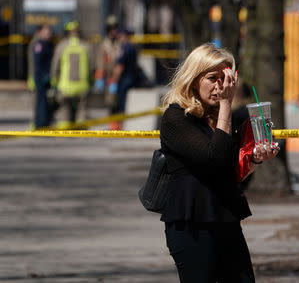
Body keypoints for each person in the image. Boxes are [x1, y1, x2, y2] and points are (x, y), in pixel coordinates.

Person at [160, 43, 279, 282]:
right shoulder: (176, 117)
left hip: (225, 217)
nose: (220, 87)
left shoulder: (225, 118)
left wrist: (255, 157)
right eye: (212, 78)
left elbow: (231, 171)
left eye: (225, 79)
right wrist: (226, 105)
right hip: (192, 223)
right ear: (194, 79)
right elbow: (213, 158)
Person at [51, 21, 94, 129]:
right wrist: (91, 81)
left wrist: (54, 81)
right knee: (82, 109)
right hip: (82, 85)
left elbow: (55, 66)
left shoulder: (61, 46)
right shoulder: (86, 46)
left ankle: (64, 130)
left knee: (64, 109)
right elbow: (92, 67)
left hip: (65, 85)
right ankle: (81, 130)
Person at [108, 27, 138, 129]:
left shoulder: (124, 48)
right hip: (131, 77)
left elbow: (119, 67)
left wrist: (114, 80)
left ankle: (120, 125)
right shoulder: (132, 47)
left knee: (121, 103)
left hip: (124, 79)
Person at [32, 24, 54, 128]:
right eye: (46, 32)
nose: (49, 34)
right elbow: (38, 63)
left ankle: (45, 123)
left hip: (47, 78)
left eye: (49, 32)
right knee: (41, 102)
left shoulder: (49, 44)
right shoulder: (39, 45)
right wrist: (44, 76)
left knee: (47, 102)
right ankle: (40, 125)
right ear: (40, 33)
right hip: (41, 78)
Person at [94, 15, 120, 92]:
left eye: (115, 28)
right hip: (106, 75)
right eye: (111, 28)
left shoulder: (120, 42)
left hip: (118, 76)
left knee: (114, 99)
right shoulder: (104, 43)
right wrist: (99, 78)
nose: (114, 30)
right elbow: (100, 62)